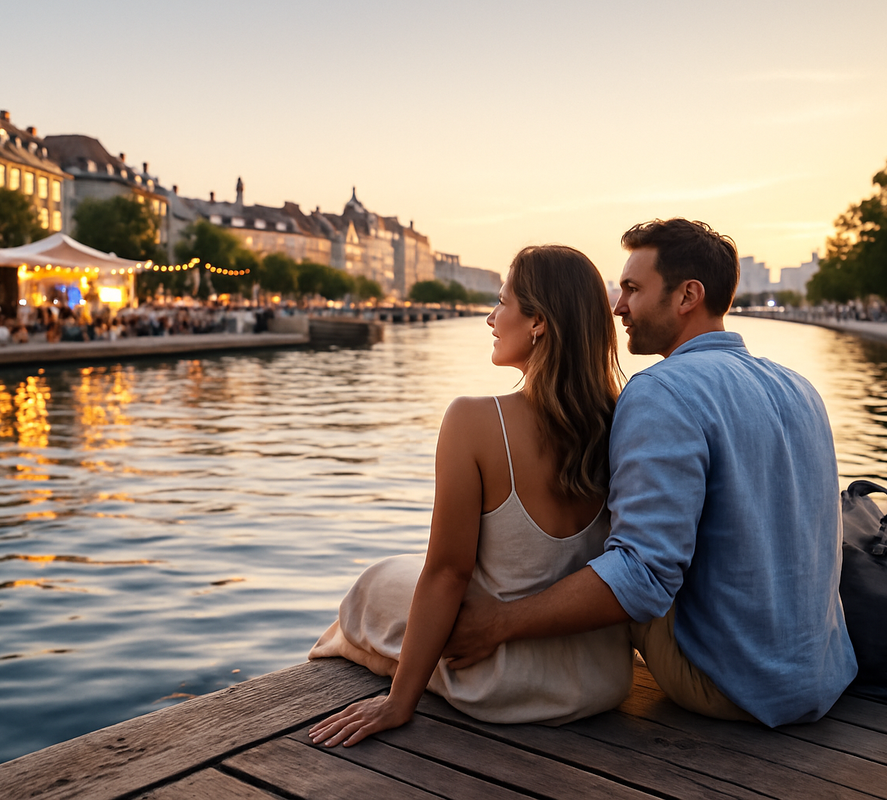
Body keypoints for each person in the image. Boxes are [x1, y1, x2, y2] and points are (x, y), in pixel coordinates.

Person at [444, 219, 856, 728]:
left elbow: (642, 577)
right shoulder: (800, 386)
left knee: (604, 551)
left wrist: (500, 624)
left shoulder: (661, 391)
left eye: (633, 290)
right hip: (823, 677)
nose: (617, 307)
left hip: (733, 687)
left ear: (688, 296)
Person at [309, 245, 633, 747]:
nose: (490, 317)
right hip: (601, 679)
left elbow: (447, 573)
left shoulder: (474, 420)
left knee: (374, 586)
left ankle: (355, 655)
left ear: (538, 323)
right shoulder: (626, 420)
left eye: (502, 303)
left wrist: (399, 703)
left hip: (502, 684)